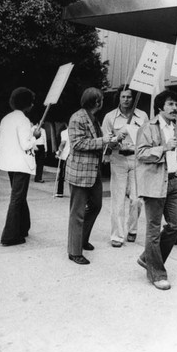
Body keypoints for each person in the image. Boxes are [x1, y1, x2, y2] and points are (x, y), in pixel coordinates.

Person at [135, 90, 177, 290]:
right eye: (170, 104)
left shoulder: (175, 128)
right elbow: (141, 153)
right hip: (155, 183)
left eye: (175, 104)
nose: (174, 108)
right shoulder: (148, 127)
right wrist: (163, 147)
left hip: (173, 182)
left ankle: (148, 257)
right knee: (153, 230)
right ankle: (156, 273)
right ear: (160, 107)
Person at [66, 87, 113, 265]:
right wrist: (104, 140)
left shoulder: (93, 118)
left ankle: (81, 238)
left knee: (96, 205)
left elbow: (96, 142)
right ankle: (74, 251)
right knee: (77, 212)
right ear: (96, 102)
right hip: (80, 172)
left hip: (93, 171)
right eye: (100, 99)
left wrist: (111, 140)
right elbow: (78, 143)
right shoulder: (78, 118)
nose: (102, 102)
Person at [0, 87, 41, 246]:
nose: (33, 105)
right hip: (21, 164)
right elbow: (26, 145)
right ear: (26, 104)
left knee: (19, 196)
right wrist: (35, 136)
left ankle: (23, 227)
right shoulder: (23, 120)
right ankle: (9, 236)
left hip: (9, 164)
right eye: (31, 102)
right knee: (17, 198)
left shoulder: (6, 119)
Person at [102, 85, 149, 247]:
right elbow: (105, 143)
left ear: (133, 98)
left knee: (137, 200)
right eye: (123, 97)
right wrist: (116, 138)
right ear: (119, 98)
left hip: (137, 160)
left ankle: (132, 229)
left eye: (129, 97)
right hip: (118, 160)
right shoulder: (110, 117)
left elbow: (147, 138)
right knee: (118, 199)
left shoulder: (142, 116)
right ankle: (117, 235)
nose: (126, 100)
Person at [55, 125, 70, 197]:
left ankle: (60, 192)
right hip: (73, 155)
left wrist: (59, 153)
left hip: (65, 156)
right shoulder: (76, 132)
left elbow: (63, 143)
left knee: (61, 174)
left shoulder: (64, 132)